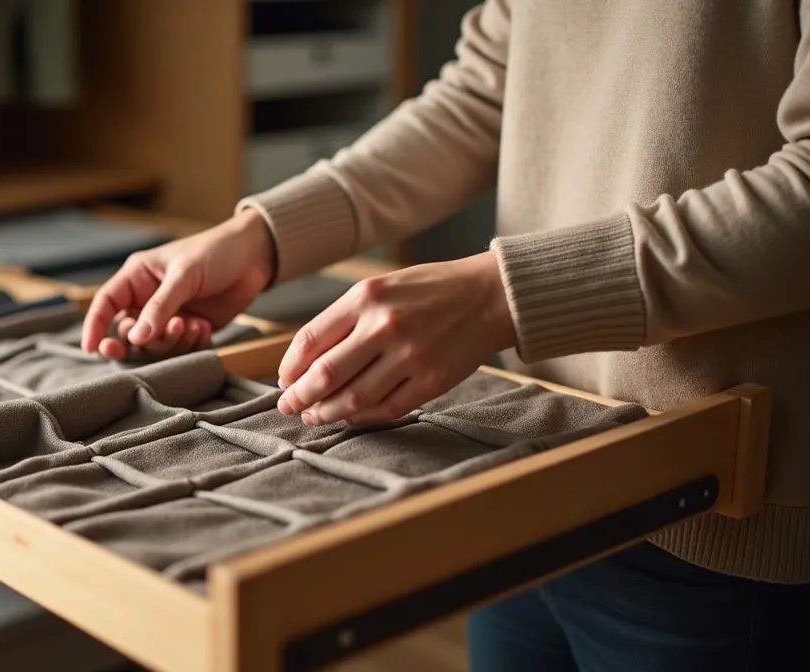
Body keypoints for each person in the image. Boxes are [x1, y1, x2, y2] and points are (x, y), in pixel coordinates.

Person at [80, 1, 810, 670]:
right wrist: (263, 235)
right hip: (524, 461)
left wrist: (500, 295)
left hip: (719, 511)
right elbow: (479, 95)